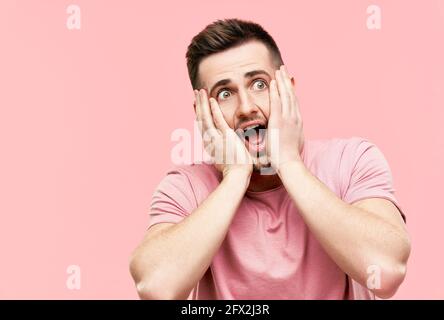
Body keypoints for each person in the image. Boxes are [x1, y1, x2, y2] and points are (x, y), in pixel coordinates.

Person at [129, 18, 411, 300]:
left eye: (259, 84)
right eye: (225, 93)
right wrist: (236, 174)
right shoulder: (187, 187)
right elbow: (156, 288)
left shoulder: (352, 161)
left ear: (288, 88)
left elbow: (386, 271)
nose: (246, 108)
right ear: (202, 113)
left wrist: (289, 163)